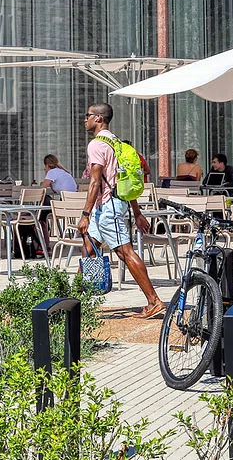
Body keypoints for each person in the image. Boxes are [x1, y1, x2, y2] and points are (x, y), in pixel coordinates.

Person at [77, 102, 164, 318]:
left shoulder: (97, 144)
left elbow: (95, 183)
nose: (84, 119)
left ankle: (154, 301)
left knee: (125, 252)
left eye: (87, 115)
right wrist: (136, 213)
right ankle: (72, 301)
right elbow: (123, 181)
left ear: (98, 118)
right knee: (88, 249)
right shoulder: (116, 142)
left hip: (107, 207)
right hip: (111, 205)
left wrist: (85, 215)